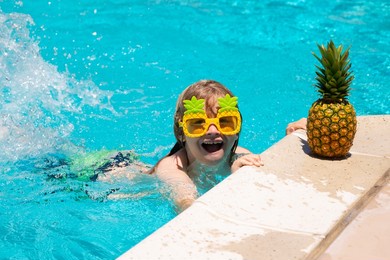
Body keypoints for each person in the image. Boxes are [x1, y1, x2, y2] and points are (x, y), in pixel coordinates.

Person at [150, 80, 305, 212]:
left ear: (237, 129)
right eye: (197, 123)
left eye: (225, 122)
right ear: (182, 131)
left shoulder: (240, 156)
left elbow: (278, 180)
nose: (212, 131)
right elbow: (187, 207)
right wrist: (235, 182)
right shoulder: (172, 168)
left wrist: (291, 141)